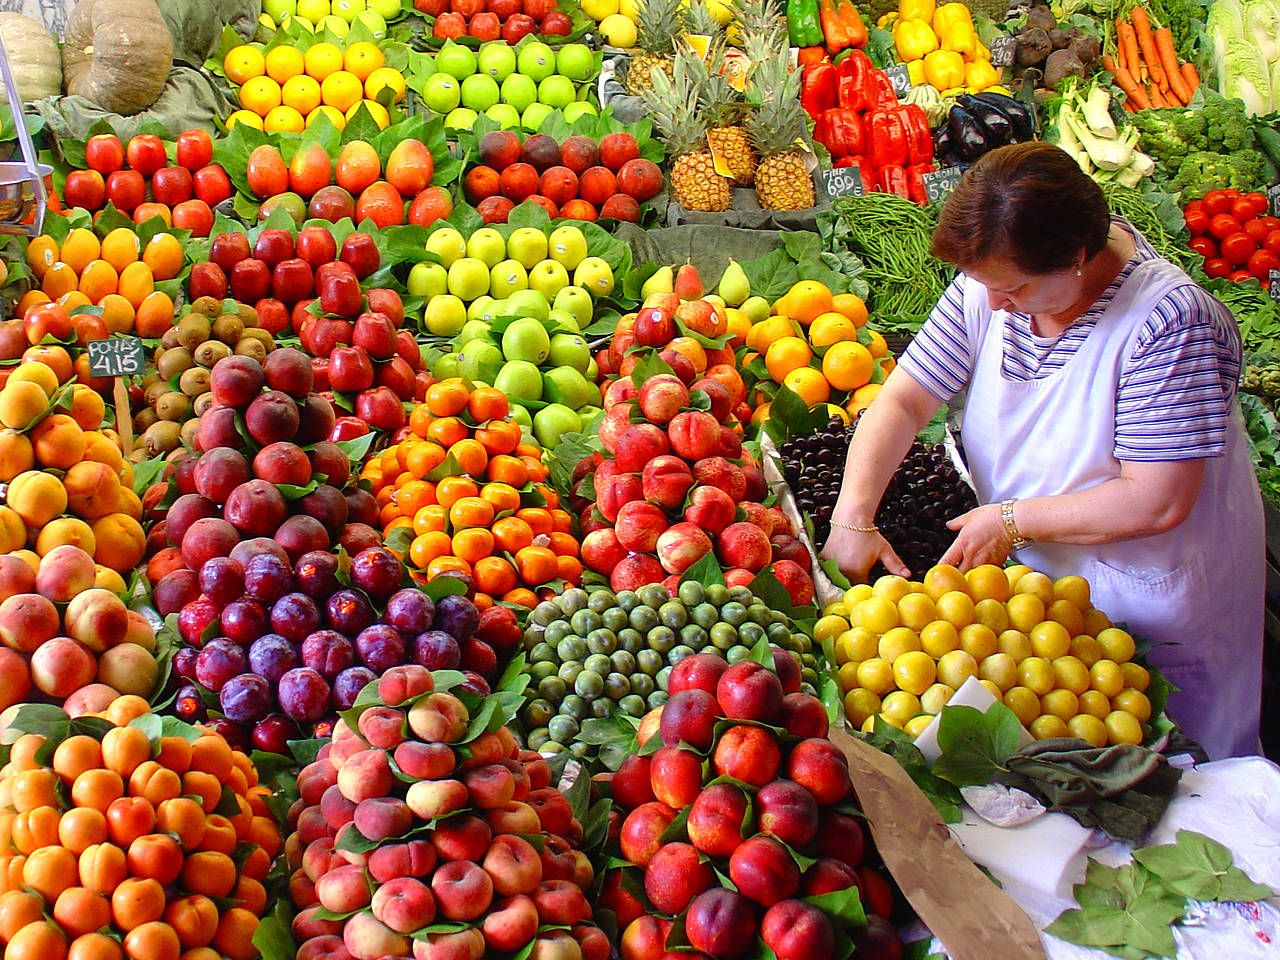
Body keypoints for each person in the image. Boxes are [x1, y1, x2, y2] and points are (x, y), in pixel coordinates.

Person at [821, 142, 1263, 760]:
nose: (998, 305)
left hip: (1151, 586)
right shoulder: (996, 280)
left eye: (1016, 289)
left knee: (1171, 769)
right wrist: (853, 516)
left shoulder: (1167, 323)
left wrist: (1011, 520)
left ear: (1078, 256)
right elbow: (902, 403)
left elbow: (1156, 500)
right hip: (1047, 590)